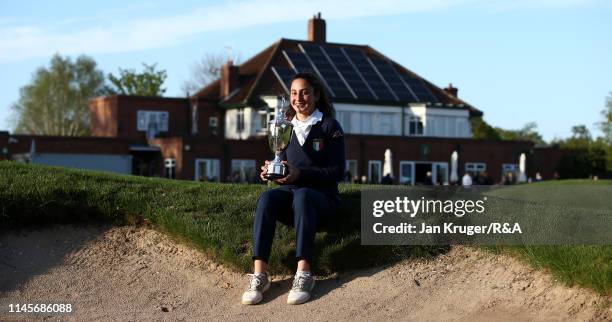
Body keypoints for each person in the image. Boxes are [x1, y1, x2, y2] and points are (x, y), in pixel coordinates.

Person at [241, 73, 345, 306]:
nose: (299, 98)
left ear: (316, 95)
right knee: (267, 198)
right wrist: (273, 171)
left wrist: (302, 174)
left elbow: (338, 172)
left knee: (303, 195)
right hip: (293, 196)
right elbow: (285, 163)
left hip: (323, 199)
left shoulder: (329, 126)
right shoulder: (285, 126)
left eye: (305, 92)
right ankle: (260, 275)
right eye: (294, 93)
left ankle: (304, 273)